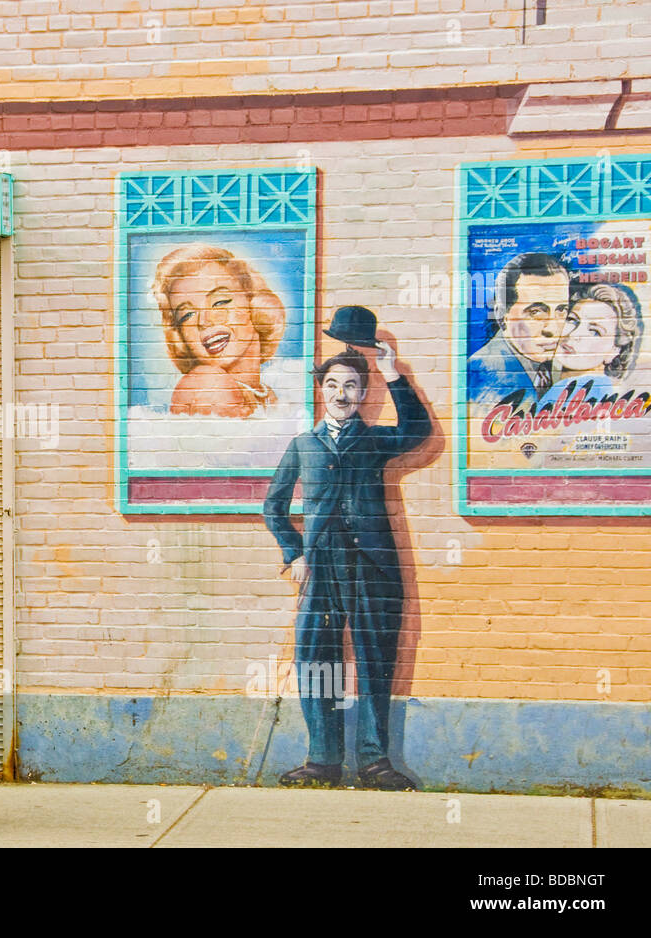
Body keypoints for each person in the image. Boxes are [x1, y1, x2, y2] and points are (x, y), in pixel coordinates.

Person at [262, 341, 431, 790]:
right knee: (318, 662)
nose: (341, 393)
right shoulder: (303, 445)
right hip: (320, 572)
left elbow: (418, 430)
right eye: (333, 384)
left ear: (363, 393)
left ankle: (375, 764)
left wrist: (394, 374)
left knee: (376, 662)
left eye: (352, 386)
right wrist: (293, 552)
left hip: (374, 568)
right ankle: (322, 761)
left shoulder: (375, 440)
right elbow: (273, 507)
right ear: (321, 390)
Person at [151, 243, 286, 417]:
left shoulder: (264, 392)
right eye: (187, 315)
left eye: (219, 302)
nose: (204, 321)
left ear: (252, 302)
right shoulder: (208, 384)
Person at [468, 253, 570, 406]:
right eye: (536, 312)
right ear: (502, 315)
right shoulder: (482, 374)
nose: (553, 329)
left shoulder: (560, 364)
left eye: (561, 310)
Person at [538, 283, 644, 409]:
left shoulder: (580, 390)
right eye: (572, 320)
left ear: (614, 351)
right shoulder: (556, 385)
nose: (574, 335)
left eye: (595, 331)